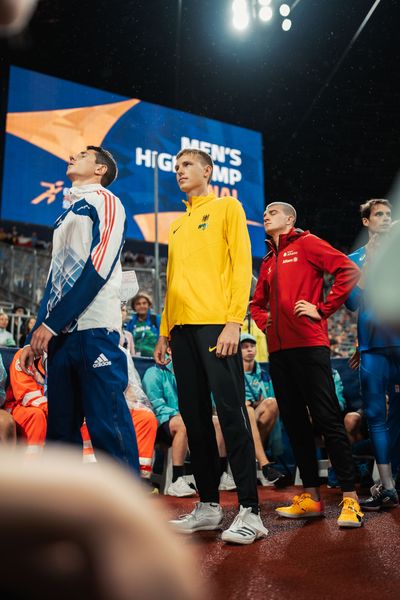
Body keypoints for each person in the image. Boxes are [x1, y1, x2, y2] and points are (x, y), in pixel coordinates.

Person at [154, 148, 267, 544]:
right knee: (195, 419)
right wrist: (164, 331)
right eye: (176, 166)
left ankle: (251, 511)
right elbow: (171, 281)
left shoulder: (227, 207)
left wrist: (234, 321)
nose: (179, 171)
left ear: (207, 170)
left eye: (186, 165)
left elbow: (241, 265)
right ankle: (208, 506)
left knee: (232, 415)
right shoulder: (177, 225)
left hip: (217, 325)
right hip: (181, 332)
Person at [19, 146, 139, 473]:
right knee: (60, 432)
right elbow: (53, 281)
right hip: (60, 336)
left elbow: (99, 267)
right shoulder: (65, 215)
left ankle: (126, 511)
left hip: (94, 328)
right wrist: (35, 336)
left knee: (107, 423)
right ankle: (62, 513)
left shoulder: (106, 201)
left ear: (100, 169)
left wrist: (53, 323)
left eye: (84, 154)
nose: (73, 155)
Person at [251, 202, 364, 527]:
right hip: (279, 352)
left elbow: (348, 271)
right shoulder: (269, 260)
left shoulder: (308, 243)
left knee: (329, 420)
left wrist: (323, 308)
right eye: (266, 212)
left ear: (290, 218)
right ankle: (312, 499)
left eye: (273, 212)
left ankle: (349, 499)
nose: (266, 215)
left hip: (310, 346)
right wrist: (266, 323)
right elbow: (256, 303)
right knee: (295, 424)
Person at [346, 198, 400, 509]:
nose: (384, 218)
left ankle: (389, 477)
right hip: (372, 348)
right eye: (378, 214)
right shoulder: (353, 259)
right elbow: (352, 303)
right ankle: (387, 486)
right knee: (377, 417)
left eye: (388, 214)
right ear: (366, 222)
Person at [143, 354, 235, 497]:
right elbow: (156, 405)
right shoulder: (153, 372)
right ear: (168, 349)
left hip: (189, 419)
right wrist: (186, 416)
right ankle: (176, 480)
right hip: (162, 422)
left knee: (217, 422)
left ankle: (221, 475)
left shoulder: (193, 373)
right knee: (184, 424)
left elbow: (208, 403)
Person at [240, 332, 285, 484]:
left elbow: (272, 401)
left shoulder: (264, 375)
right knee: (247, 410)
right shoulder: (231, 373)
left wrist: (256, 404)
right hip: (237, 421)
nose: (249, 349)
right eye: (245, 347)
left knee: (272, 403)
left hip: (259, 426)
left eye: (252, 346)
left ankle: (257, 456)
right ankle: (265, 464)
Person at [125, 293, 161, 357]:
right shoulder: (130, 323)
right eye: (138, 304)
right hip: (137, 360)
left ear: (149, 305)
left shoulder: (157, 319)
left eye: (144, 303)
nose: (141, 306)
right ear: (134, 307)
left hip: (155, 360)